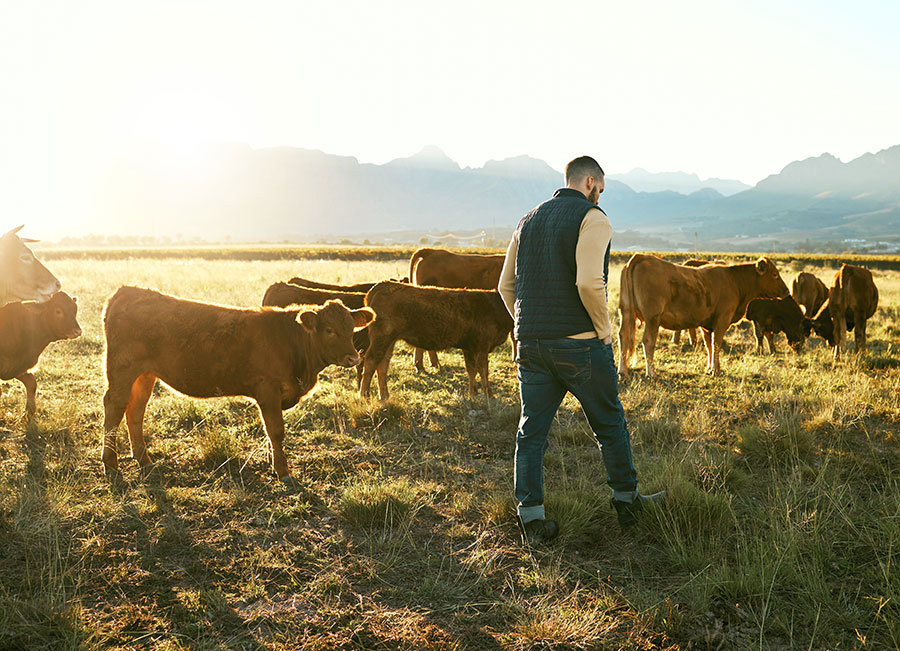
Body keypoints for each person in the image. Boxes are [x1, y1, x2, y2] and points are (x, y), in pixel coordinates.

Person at [497, 155, 665, 545]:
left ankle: (531, 519)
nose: (599, 197)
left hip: (531, 345)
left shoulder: (526, 220)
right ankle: (627, 504)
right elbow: (589, 282)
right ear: (590, 182)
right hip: (581, 345)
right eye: (600, 190)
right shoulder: (593, 218)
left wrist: (527, 324)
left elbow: (505, 286)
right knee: (610, 424)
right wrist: (604, 331)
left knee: (531, 433)